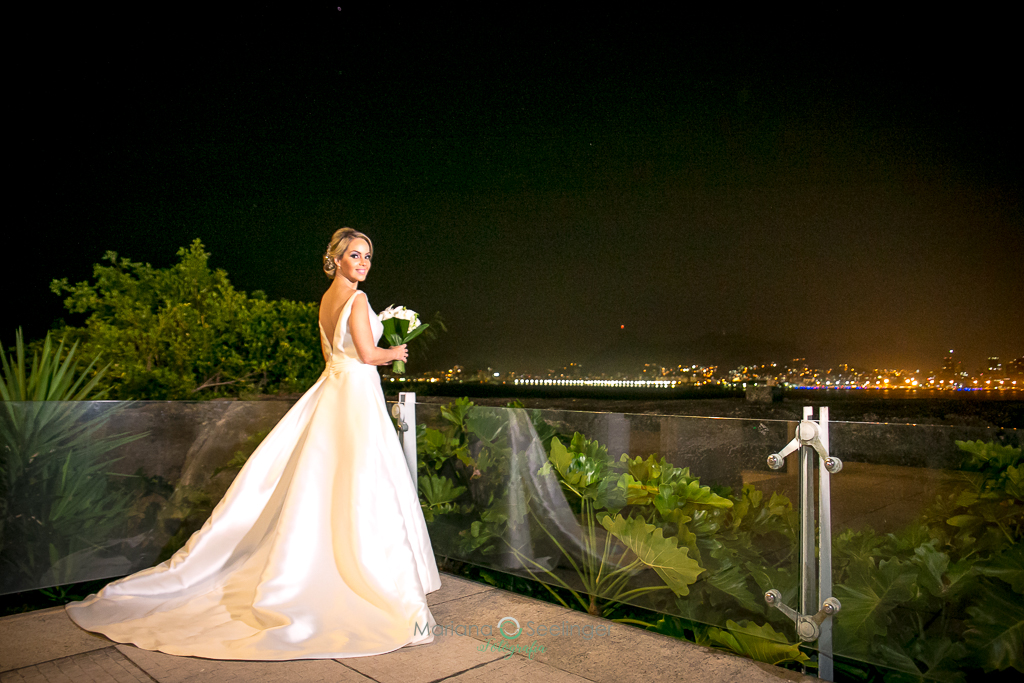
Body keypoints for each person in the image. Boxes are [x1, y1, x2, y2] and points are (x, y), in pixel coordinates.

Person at [66, 228, 442, 659]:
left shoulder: (325, 300)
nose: (363, 262)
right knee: (361, 483)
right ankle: (364, 576)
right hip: (355, 395)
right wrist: (395, 352)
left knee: (329, 481)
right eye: (355, 255)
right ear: (335, 259)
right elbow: (366, 353)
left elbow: (333, 354)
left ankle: (327, 563)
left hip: (335, 390)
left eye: (368, 256)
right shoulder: (356, 300)